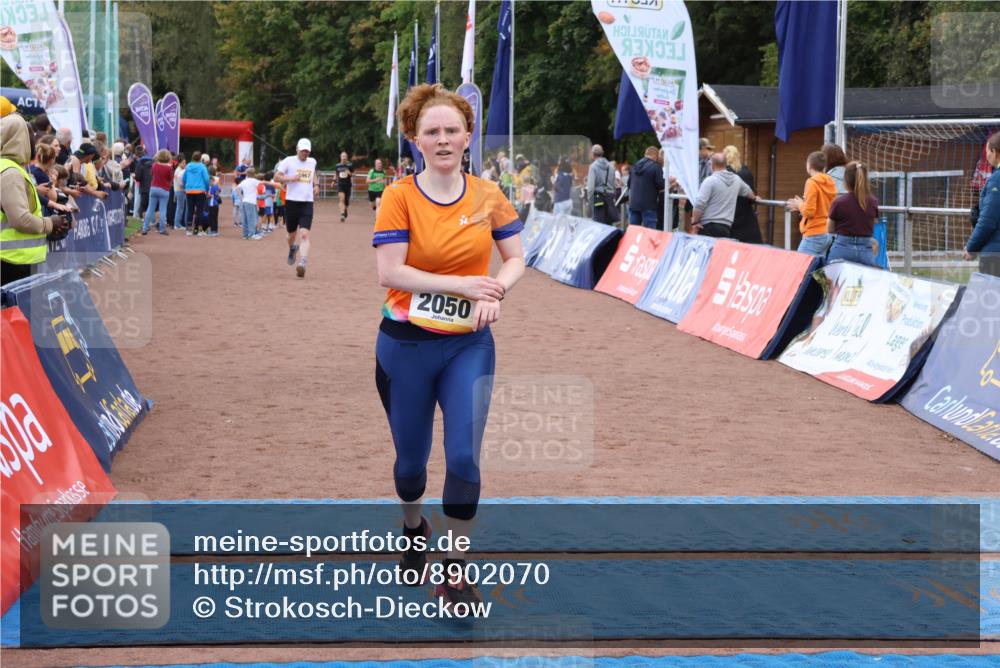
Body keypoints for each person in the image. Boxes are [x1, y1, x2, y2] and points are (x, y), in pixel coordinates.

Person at [373, 83, 525, 608]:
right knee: (410, 465)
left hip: (469, 347)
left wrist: (496, 288)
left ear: (467, 136)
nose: (442, 140)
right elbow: (389, 271)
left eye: (451, 130)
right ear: (415, 139)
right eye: (431, 131)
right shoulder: (398, 196)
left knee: (463, 458)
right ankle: (414, 531)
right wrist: (463, 286)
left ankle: (455, 568)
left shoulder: (488, 196)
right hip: (405, 346)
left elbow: (516, 258)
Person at [1, 100, 70, 285]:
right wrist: (50, 223)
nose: (35, 141)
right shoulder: (10, 173)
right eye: (30, 135)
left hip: (16, 261)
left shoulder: (12, 169)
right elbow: (19, 219)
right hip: (12, 262)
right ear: (18, 139)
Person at [274, 138, 318, 277]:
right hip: (292, 202)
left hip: (307, 202)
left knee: (304, 234)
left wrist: (316, 185)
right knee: (290, 235)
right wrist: (290, 178)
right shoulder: (288, 161)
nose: (305, 153)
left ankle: (302, 263)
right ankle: (292, 248)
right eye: (303, 150)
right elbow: (276, 177)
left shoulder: (312, 161)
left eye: (307, 151)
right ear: (297, 149)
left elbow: (313, 173)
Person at [690, 153, 758, 238]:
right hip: (725, 228)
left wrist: (694, 222)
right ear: (726, 164)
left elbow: (700, 203)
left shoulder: (710, 181)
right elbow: (749, 193)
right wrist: (755, 197)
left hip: (707, 226)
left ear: (712, 165)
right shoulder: (736, 180)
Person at [826, 161, 880, 267]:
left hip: (841, 249)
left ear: (845, 182)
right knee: (863, 283)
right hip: (865, 251)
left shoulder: (839, 202)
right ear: (865, 180)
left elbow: (829, 229)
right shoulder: (873, 201)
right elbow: (874, 222)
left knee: (833, 282)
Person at [787, 151, 837, 257]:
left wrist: (800, 205)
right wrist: (802, 204)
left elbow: (810, 212)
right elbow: (823, 206)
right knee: (818, 270)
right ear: (824, 167)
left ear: (809, 165)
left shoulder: (811, 182)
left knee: (800, 266)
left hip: (814, 233)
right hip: (827, 233)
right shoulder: (830, 182)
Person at [965, 131, 1000, 277]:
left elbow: (987, 221)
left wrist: (971, 248)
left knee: (991, 298)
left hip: (995, 256)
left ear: (995, 152)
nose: (987, 156)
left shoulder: (996, 180)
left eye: (987, 151)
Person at [723, 145, 762, 244]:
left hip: (727, 219)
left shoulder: (722, 174)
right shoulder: (746, 173)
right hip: (745, 219)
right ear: (738, 156)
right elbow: (750, 196)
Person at [628, 146, 665, 229]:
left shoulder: (634, 166)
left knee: (633, 232)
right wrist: (668, 182)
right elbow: (661, 185)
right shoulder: (656, 167)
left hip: (634, 204)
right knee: (650, 233)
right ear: (655, 156)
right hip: (649, 205)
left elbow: (629, 184)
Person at [142, 149, 174, 235]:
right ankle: (162, 229)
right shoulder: (169, 167)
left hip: (154, 188)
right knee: (162, 209)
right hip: (164, 189)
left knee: (150, 208)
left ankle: (145, 227)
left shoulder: (154, 165)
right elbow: (170, 179)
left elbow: (152, 174)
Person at [586, 144, 616, 224]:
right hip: (609, 198)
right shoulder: (611, 166)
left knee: (599, 226)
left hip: (598, 199)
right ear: (602, 153)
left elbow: (591, 188)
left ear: (593, 154)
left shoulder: (593, 167)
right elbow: (613, 184)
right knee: (609, 226)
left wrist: (589, 202)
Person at [184, 151, 210, 236]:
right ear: (200, 158)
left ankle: (188, 230)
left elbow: (184, 178)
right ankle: (199, 230)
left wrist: (186, 186)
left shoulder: (188, 166)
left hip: (189, 191)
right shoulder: (202, 167)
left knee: (190, 210)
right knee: (200, 210)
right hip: (200, 191)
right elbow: (206, 179)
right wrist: (206, 189)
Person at [335, 150, 353, 222]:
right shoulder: (337, 165)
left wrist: (349, 173)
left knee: (346, 202)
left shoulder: (350, 165)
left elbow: (354, 174)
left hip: (348, 185)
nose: (344, 158)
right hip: (340, 185)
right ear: (340, 157)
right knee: (341, 199)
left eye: (345, 156)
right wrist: (333, 181)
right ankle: (342, 214)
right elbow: (336, 174)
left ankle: (345, 209)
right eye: (342, 156)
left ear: (347, 157)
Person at [172, 154, 188, 230]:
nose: (184, 164)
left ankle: (178, 224)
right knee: (180, 207)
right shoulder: (178, 171)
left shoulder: (180, 170)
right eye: (183, 163)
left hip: (179, 190)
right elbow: (180, 183)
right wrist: (185, 187)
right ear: (179, 163)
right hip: (180, 191)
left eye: (185, 163)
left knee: (180, 207)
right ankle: (177, 224)